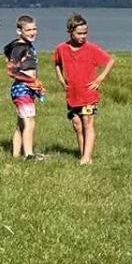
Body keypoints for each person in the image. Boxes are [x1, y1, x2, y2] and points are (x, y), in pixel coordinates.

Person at [52, 13, 115, 164]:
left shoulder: (91, 48)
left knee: (87, 122)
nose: (83, 36)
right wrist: (61, 79)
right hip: (72, 95)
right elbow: (57, 63)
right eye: (79, 33)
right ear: (70, 32)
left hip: (88, 95)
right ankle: (83, 154)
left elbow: (110, 61)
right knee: (77, 125)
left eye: (85, 33)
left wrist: (99, 79)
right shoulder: (61, 48)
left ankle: (87, 157)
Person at [4, 14, 45, 160]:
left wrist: (36, 84)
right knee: (29, 121)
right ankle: (29, 155)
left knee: (21, 123)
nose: (32, 32)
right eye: (28, 30)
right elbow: (12, 70)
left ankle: (16, 155)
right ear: (19, 31)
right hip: (22, 88)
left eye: (34, 29)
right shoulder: (19, 48)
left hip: (27, 88)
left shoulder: (28, 46)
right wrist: (31, 81)